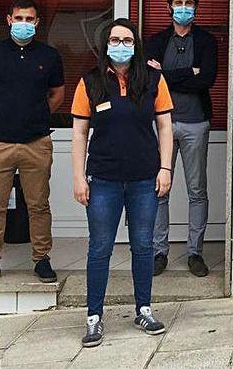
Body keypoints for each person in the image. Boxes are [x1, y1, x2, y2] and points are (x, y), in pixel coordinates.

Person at [70, 19, 174, 348]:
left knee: (143, 246)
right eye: (115, 39)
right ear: (105, 45)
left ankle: (143, 309)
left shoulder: (154, 79)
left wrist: (165, 168)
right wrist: (77, 177)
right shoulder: (90, 81)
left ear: (136, 45)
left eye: (127, 40)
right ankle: (94, 317)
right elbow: (79, 133)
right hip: (103, 179)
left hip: (145, 178)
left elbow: (166, 128)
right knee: (100, 249)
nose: (120, 45)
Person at [0, 0, 65, 284]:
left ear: (37, 23)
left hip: (36, 141)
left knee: (38, 204)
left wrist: (36, 115)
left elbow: (57, 94)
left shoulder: (50, 56)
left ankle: (41, 258)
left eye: (29, 19)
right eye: (19, 18)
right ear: (9, 20)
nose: (24, 24)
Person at [145, 0, 218, 278]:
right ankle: (159, 251)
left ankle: (194, 252)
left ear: (196, 7)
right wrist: (189, 73)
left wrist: (167, 74)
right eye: (179, 2)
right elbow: (151, 81)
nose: (184, 7)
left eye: (189, 2)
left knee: (197, 190)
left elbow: (207, 79)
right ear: (168, 6)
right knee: (159, 189)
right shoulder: (156, 40)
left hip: (196, 123)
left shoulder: (207, 41)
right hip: (162, 123)